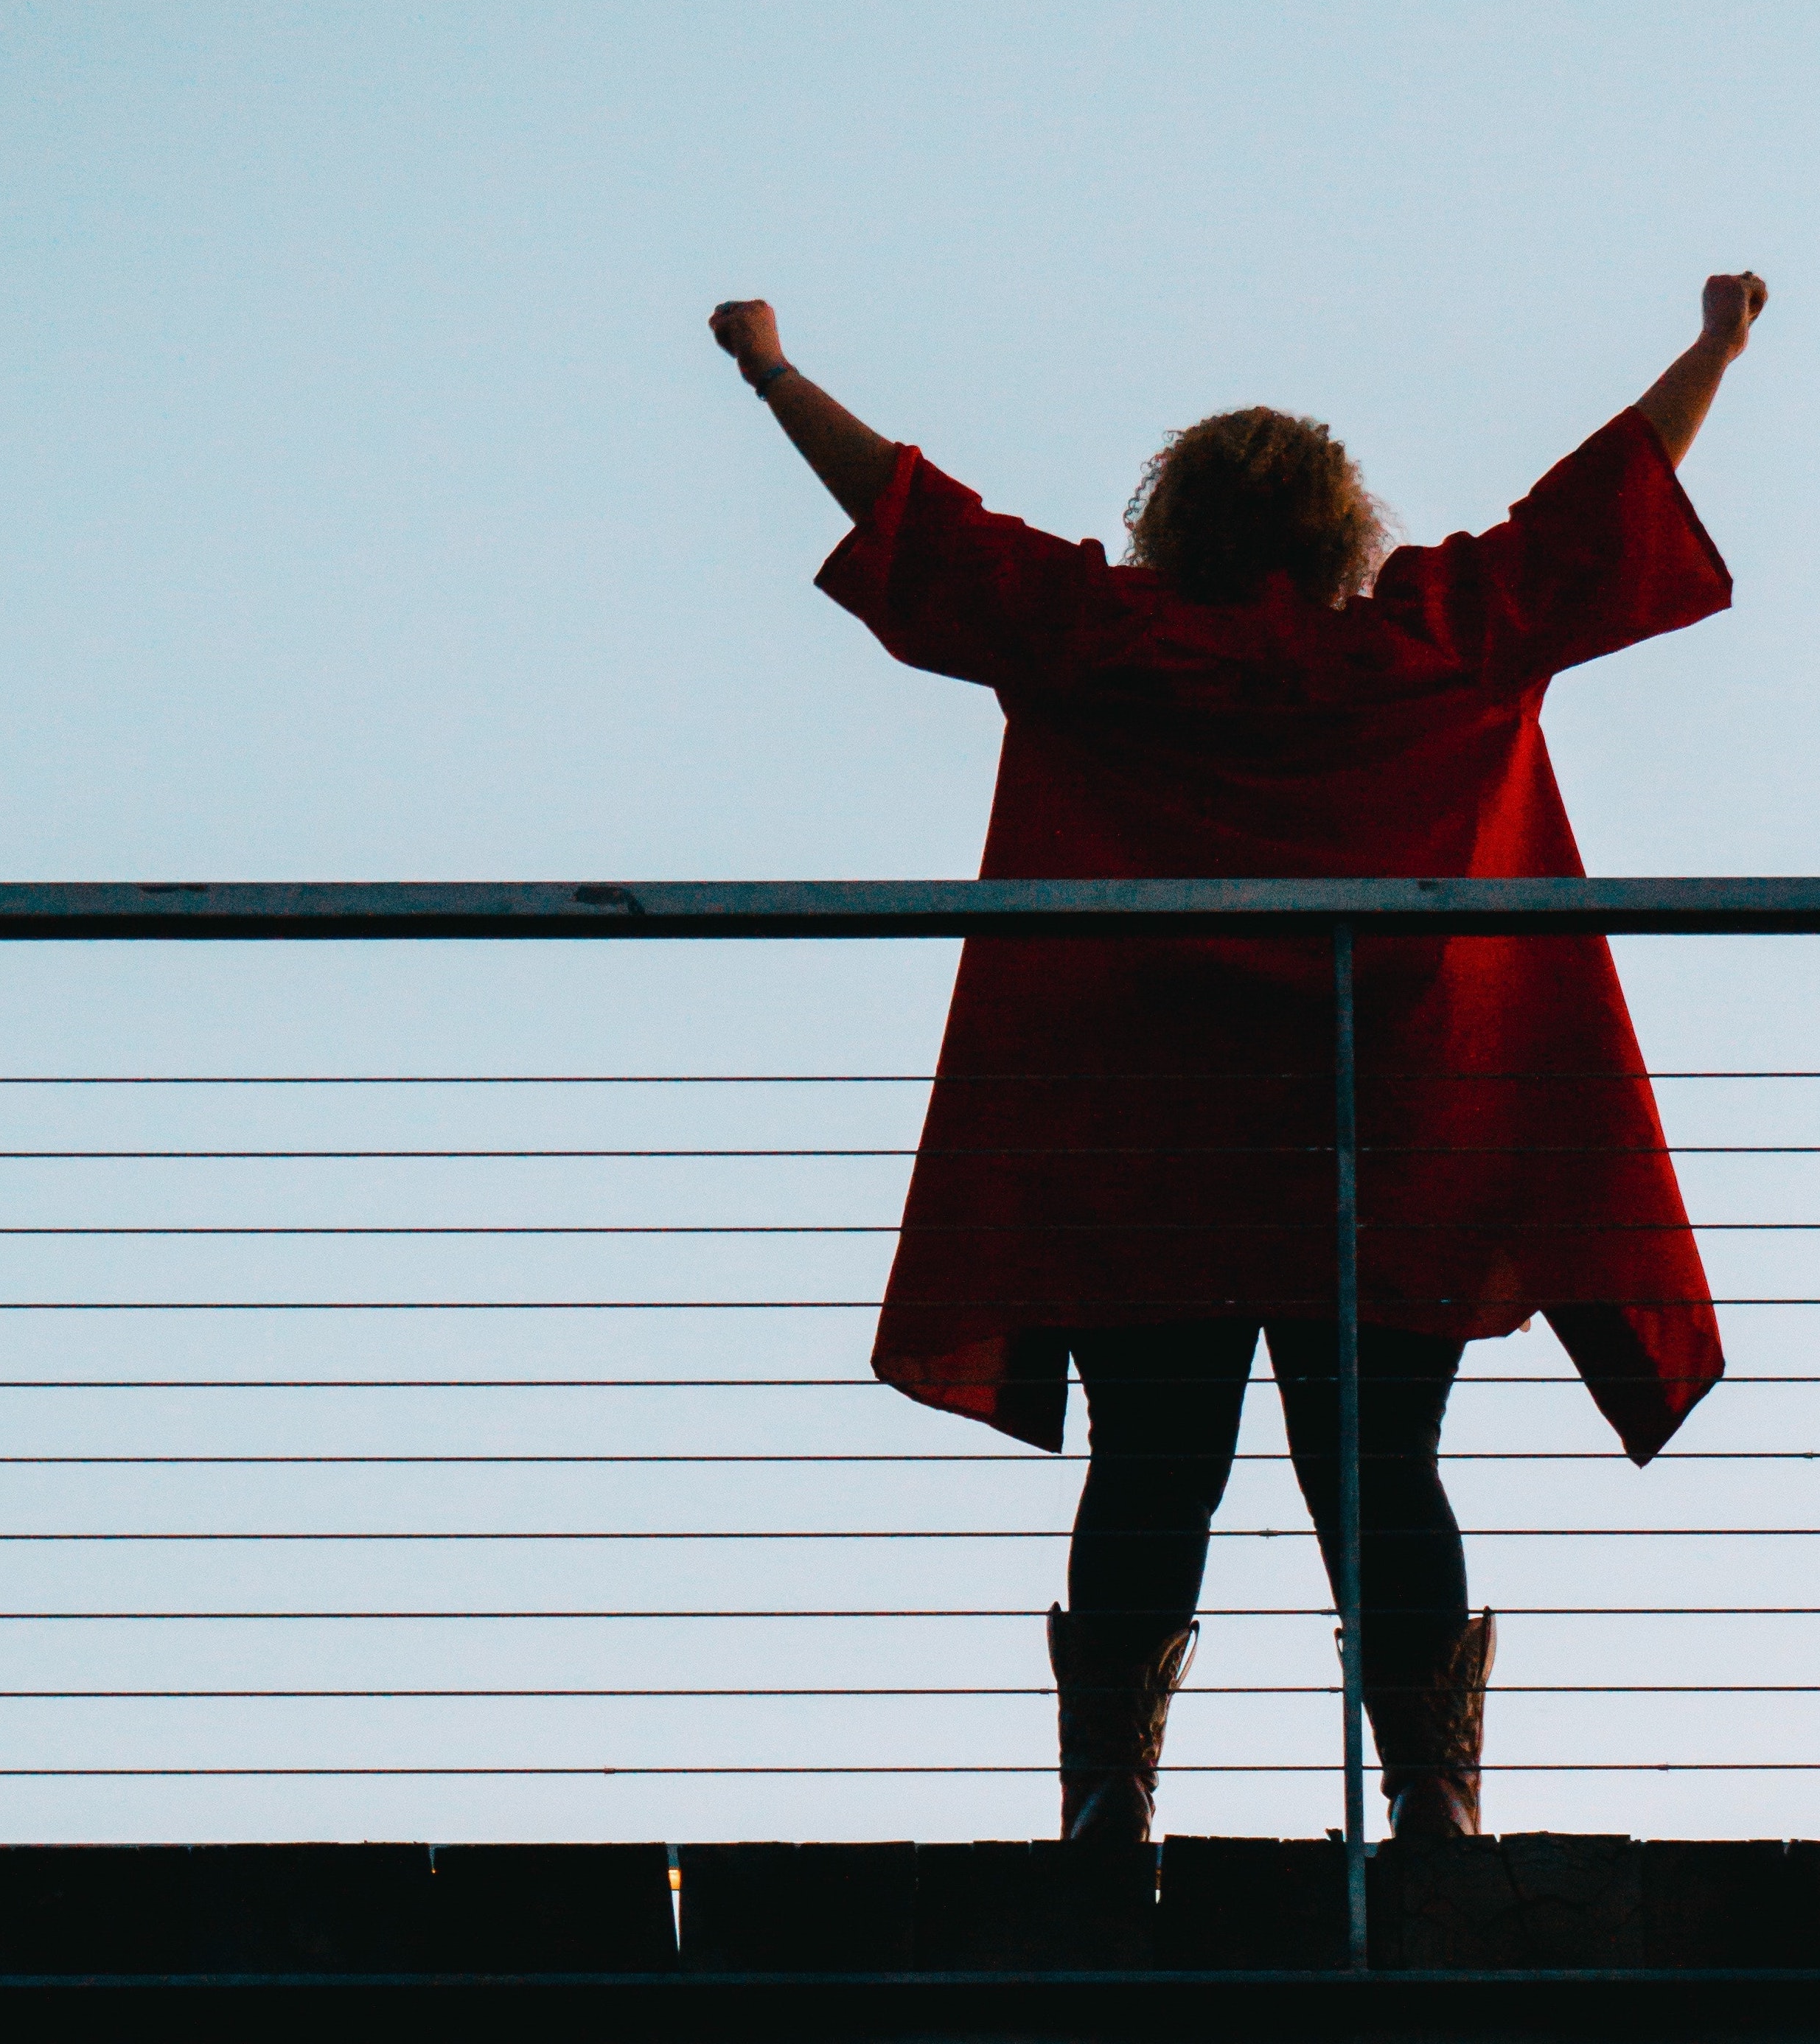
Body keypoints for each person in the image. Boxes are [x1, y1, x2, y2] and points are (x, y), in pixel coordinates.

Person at [709, 273, 1765, 1844]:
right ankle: (1429, 1805)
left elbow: (918, 522)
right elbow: (1600, 507)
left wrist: (770, 376)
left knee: (1150, 1458)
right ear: (1338, 528)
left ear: (1170, 522)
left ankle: (1105, 1803)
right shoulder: (1435, 640)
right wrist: (1713, 351)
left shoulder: (1097, 642)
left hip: (1147, 1147)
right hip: (1393, 1136)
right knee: (1378, 1464)